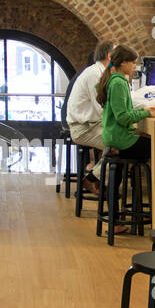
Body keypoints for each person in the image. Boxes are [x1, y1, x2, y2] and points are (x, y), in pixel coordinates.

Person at [98, 44, 155, 162]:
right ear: (123, 63)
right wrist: (147, 114)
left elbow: (125, 111)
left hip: (114, 137)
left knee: (154, 142)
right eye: (133, 62)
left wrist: (145, 111)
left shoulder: (116, 80)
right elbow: (123, 117)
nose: (135, 66)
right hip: (120, 139)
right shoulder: (118, 83)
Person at [66, 41, 114, 194]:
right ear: (109, 56)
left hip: (91, 124)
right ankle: (94, 179)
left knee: (123, 139)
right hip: (83, 128)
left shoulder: (99, 72)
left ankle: (101, 183)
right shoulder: (95, 74)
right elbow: (102, 109)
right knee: (121, 143)